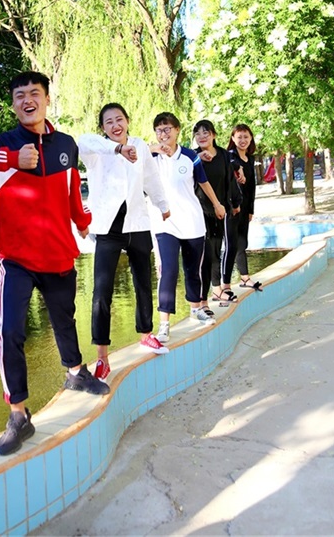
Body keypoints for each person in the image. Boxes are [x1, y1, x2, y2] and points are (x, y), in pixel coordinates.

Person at [0, 71, 109, 458]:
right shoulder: (0, 146)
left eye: (34, 93)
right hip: (17, 260)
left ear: (47, 99)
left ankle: (76, 373)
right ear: (13, 104)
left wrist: (83, 223)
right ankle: (19, 415)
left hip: (58, 253)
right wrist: (12, 159)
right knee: (11, 333)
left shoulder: (66, 144)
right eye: (19, 95)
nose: (27, 100)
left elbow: (72, 191)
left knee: (65, 320)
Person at [79, 103, 171, 382]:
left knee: (143, 283)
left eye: (119, 119)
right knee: (101, 291)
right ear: (103, 128)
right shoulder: (96, 150)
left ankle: (146, 334)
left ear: (128, 121)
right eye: (108, 122)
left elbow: (151, 178)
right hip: (108, 228)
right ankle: (102, 357)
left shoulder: (140, 146)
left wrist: (163, 204)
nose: (115, 125)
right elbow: (82, 141)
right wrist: (117, 149)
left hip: (137, 224)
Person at [150, 112, 226, 342]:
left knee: (193, 269)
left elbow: (203, 182)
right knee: (168, 270)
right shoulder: (151, 156)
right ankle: (164, 323)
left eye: (167, 129)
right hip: (165, 223)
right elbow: (133, 154)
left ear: (177, 130)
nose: (163, 134)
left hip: (192, 221)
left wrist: (217, 204)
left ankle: (196, 308)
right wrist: (153, 148)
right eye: (159, 130)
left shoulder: (190, 156)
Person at [192, 119, 242, 307]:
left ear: (213, 135)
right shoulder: (192, 157)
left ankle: (216, 289)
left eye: (205, 132)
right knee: (206, 254)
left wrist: (235, 203)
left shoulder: (223, 155)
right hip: (199, 211)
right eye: (198, 133)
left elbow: (230, 180)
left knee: (216, 250)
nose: (202, 136)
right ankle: (204, 297)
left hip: (220, 210)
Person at [227, 123, 262, 291]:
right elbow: (230, 164)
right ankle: (229, 283)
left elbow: (252, 187)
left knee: (242, 242)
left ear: (251, 138)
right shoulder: (230, 157)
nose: (243, 140)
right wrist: (237, 167)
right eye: (239, 137)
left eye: (246, 137)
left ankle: (244, 277)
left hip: (245, 207)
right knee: (233, 245)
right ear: (233, 138)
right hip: (233, 207)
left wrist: (251, 210)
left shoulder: (250, 158)